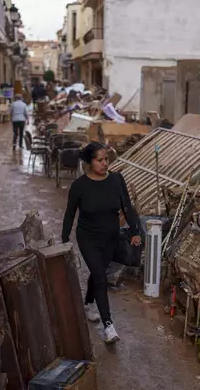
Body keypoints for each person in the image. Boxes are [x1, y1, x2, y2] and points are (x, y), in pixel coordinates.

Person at [61, 142, 142, 344]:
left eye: (106, 159)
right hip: (88, 238)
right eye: (100, 160)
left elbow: (127, 206)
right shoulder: (79, 186)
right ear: (89, 162)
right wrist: (64, 241)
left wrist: (135, 231)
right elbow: (70, 215)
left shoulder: (116, 179)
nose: (105, 163)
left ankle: (88, 303)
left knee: (98, 274)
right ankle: (108, 325)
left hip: (111, 238)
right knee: (99, 276)